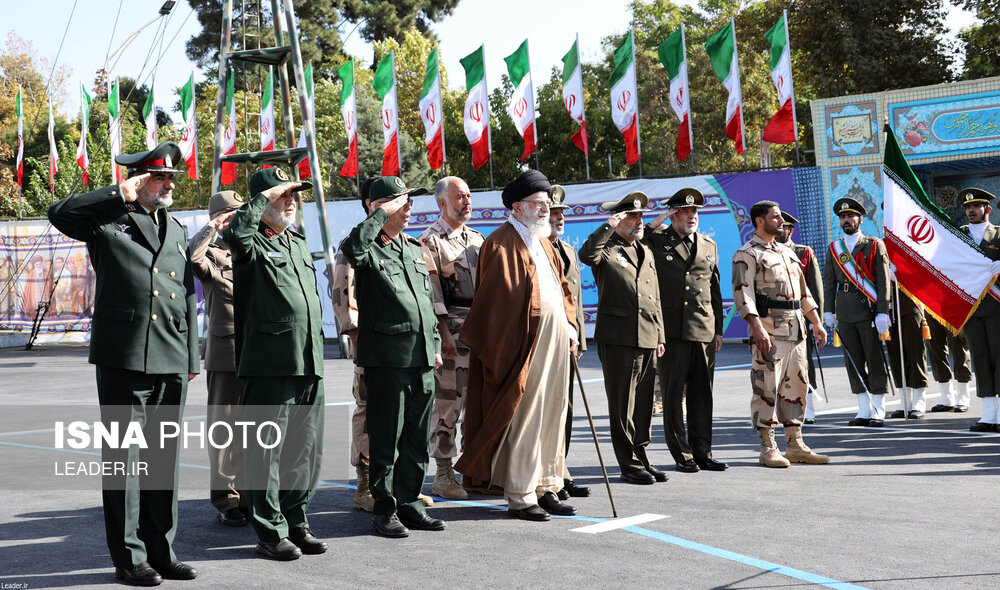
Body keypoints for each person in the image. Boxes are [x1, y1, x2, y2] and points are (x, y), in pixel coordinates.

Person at [47, 141, 199, 585]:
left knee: (162, 461)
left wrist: (192, 354)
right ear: (139, 179)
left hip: (171, 358)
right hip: (125, 355)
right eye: (160, 177)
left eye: (171, 178)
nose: (168, 185)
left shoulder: (174, 227)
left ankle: (162, 551)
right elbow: (60, 213)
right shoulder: (107, 219)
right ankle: (130, 558)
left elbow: (187, 294)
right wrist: (118, 193)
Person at [456, 170, 579, 522]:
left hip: (555, 342)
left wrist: (570, 326)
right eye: (539, 204)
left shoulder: (543, 242)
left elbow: (562, 290)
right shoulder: (500, 243)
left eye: (546, 204)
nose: (546, 210)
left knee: (553, 412)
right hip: (524, 346)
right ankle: (522, 493)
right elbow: (496, 304)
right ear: (517, 206)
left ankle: (547, 485)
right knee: (526, 416)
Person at [222, 167, 326, 560]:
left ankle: (297, 522)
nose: (290, 200)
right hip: (269, 365)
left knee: (305, 451)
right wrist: (265, 197)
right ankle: (269, 531)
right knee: (265, 453)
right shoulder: (249, 243)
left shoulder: (297, 243)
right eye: (281, 195)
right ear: (260, 202)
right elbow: (236, 233)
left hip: (307, 361)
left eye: (294, 195)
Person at [342, 176, 443, 538]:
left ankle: (409, 504)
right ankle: (385, 509)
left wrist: (434, 346)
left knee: (416, 439)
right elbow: (353, 249)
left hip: (421, 359)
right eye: (402, 203)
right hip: (388, 359)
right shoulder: (366, 245)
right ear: (380, 207)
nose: (409, 209)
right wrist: (377, 215)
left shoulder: (414, 247)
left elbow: (426, 304)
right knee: (386, 438)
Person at [732, 201, 829, 468]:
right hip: (770, 332)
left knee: (796, 386)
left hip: (796, 331)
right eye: (775, 217)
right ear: (759, 221)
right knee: (766, 388)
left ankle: (795, 444)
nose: (781, 222)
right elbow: (743, 294)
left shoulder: (787, 253)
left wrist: (816, 323)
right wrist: (757, 327)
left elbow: (803, 292)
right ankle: (767, 447)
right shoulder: (748, 253)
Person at [580, 191, 666, 484]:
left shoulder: (645, 250)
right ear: (619, 220)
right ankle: (627, 464)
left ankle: (641, 456)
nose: (639, 221)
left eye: (641, 216)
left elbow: (654, 297)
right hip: (618, 336)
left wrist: (660, 335)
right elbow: (587, 255)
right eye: (632, 216)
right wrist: (608, 226)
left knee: (643, 402)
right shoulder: (608, 247)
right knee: (622, 403)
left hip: (647, 336)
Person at [644, 188, 727, 473]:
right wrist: (659, 221)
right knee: (672, 394)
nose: (692, 216)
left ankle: (703, 451)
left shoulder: (708, 245)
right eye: (684, 211)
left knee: (703, 394)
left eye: (695, 212)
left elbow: (714, 289)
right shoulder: (658, 240)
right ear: (672, 214)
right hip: (672, 331)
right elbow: (636, 239)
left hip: (703, 330)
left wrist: (718, 329)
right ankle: (683, 454)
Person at [418, 176, 484, 501]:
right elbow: (432, 295)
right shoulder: (429, 242)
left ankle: (471, 470)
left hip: (480, 333)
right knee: (447, 406)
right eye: (460, 196)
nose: (466, 201)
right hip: (451, 335)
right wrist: (443, 333)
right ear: (442, 202)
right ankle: (443, 474)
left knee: (477, 405)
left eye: (469, 195)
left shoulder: (477, 239)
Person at [189, 190, 248, 526]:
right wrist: (212, 227)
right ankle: (226, 499)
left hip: (257, 352)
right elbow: (193, 258)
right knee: (224, 429)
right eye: (230, 213)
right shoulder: (212, 252)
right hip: (226, 352)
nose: (235, 219)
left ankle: (251, 494)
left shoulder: (250, 247)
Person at [822, 197, 891, 427]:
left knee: (874, 358)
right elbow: (829, 283)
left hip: (868, 310)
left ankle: (878, 408)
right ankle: (863, 409)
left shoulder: (873, 244)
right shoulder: (835, 248)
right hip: (844, 312)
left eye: (850, 216)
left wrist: (883, 311)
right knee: (853, 362)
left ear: (860, 219)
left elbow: (883, 281)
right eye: (842, 217)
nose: (846, 220)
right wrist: (828, 311)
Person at [332, 177, 377, 513]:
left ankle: (393, 482)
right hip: (370, 342)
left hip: (399, 345)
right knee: (367, 411)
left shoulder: (404, 242)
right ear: (370, 205)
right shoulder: (355, 242)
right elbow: (342, 292)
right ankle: (365, 483)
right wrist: (355, 335)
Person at [547, 185, 591, 499]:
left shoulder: (569, 251)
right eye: (552, 212)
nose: (559, 218)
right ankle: (547, 474)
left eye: (561, 212)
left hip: (570, 345)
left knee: (567, 411)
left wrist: (580, 341)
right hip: (546, 344)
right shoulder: (534, 248)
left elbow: (575, 300)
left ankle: (562, 470)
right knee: (547, 412)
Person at [958, 188, 1000, 431]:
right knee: (980, 358)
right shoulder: (958, 235)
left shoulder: (998, 234)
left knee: (999, 356)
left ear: (988, 209)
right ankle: (988, 414)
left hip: (995, 306)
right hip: (970, 307)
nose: (971, 210)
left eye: (976, 206)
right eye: (967, 207)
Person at [776, 212, 824, 424]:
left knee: (804, 364)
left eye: (783, 227)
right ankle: (781, 409)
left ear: (790, 230)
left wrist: (817, 321)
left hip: (800, 318)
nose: (779, 230)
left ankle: (808, 407)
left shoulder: (803, 252)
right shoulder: (766, 252)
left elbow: (815, 290)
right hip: (775, 320)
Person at [885, 286, 930, 419]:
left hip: (910, 304)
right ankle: (905, 401)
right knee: (896, 356)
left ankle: (919, 401)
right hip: (888, 308)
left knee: (915, 353)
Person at [925, 314, 973, 413]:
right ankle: (946, 397)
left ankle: (963, 397)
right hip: (931, 303)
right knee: (935, 348)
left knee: (959, 346)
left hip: (952, 304)